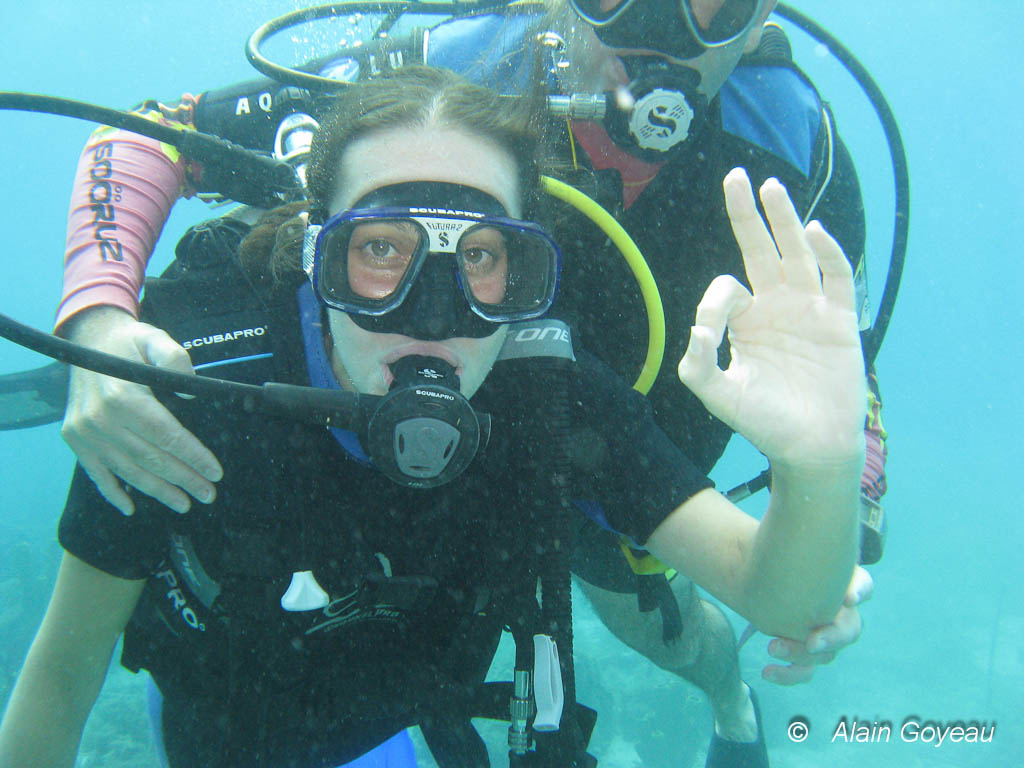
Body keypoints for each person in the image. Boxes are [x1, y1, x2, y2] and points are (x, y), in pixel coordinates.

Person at [47, 0, 881, 763]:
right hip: (433, 383)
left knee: (641, 604)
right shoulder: (446, 69)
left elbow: (831, 354)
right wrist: (96, 323)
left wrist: (830, 481)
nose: (657, 28)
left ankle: (729, 696)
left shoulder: (794, 142)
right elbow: (147, 132)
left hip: (565, 416)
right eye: (379, 246)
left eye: (707, 2)